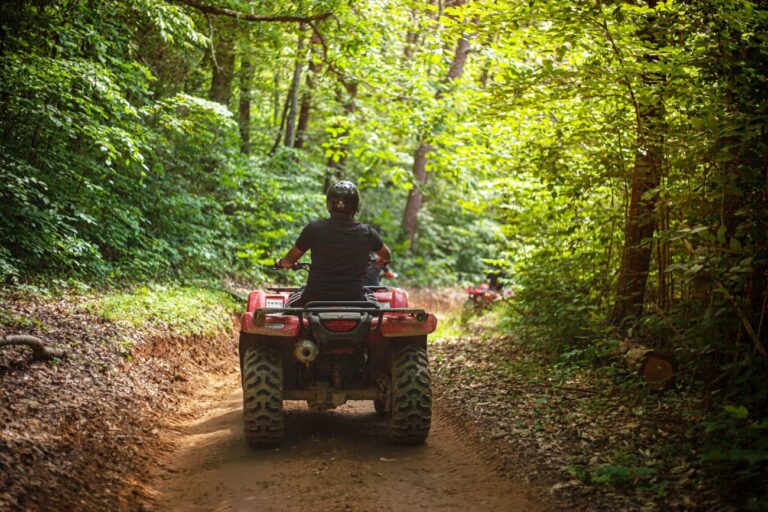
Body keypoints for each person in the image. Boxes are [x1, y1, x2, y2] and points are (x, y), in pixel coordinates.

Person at [276, 181, 392, 306]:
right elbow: (386, 255)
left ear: (329, 204)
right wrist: (381, 260)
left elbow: (288, 261)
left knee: (289, 307)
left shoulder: (314, 228)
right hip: (354, 300)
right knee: (372, 302)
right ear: (355, 206)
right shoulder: (367, 233)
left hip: (314, 299)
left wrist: (281, 263)